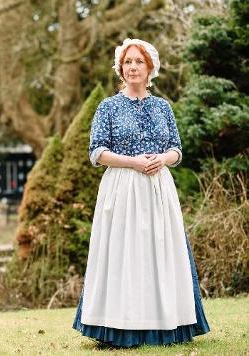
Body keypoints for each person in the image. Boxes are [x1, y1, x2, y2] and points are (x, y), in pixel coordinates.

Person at [72, 38, 210, 347]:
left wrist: (163, 158)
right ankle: (116, 330)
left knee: (160, 255)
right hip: (121, 189)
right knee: (123, 255)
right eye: (128, 62)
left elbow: (176, 149)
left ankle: (167, 327)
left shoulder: (163, 107)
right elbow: (97, 152)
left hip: (159, 189)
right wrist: (133, 162)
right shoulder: (107, 107)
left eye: (139, 62)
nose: (133, 67)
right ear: (121, 69)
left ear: (150, 68)